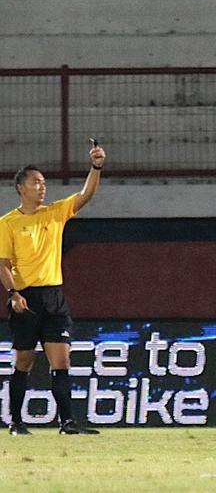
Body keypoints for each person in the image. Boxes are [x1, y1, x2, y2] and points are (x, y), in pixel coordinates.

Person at [1, 141, 107, 435]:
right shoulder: (7, 224)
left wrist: (96, 166)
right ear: (21, 188)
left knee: (61, 361)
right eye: (36, 182)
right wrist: (13, 294)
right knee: (23, 362)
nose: (42, 187)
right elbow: (3, 265)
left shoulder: (55, 213)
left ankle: (67, 423)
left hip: (54, 297)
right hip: (26, 299)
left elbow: (86, 195)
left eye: (44, 183)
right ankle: (16, 422)